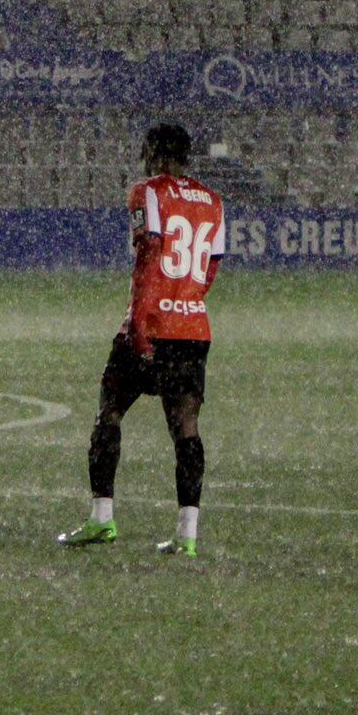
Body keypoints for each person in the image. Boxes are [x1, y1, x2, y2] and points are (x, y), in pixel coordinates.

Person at [58, 123, 225, 559]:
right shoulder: (213, 201)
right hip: (193, 329)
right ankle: (187, 535)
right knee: (186, 427)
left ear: (153, 152)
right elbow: (210, 270)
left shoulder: (147, 192)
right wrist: (185, 301)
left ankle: (101, 519)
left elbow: (150, 255)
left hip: (150, 324)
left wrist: (143, 321)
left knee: (109, 411)